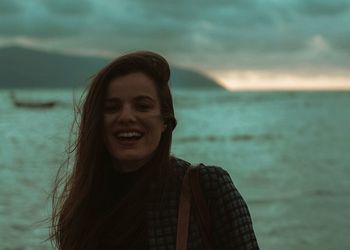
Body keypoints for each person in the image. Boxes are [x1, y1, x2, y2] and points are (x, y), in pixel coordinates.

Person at [50, 51, 259, 249]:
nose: (126, 117)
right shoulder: (82, 208)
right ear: (96, 121)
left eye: (142, 106)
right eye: (112, 108)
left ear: (165, 121)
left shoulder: (208, 188)